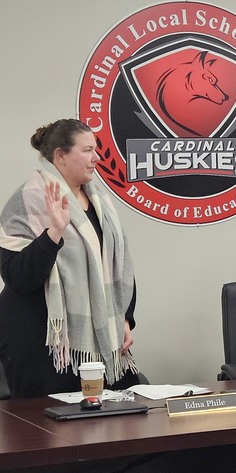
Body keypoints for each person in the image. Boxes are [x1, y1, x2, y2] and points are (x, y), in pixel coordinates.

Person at [0, 119, 140, 398]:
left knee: (124, 412)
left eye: (96, 150)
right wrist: (54, 232)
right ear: (61, 156)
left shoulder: (99, 199)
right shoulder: (27, 200)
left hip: (101, 337)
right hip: (44, 342)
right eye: (87, 150)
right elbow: (17, 276)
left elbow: (115, 262)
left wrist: (125, 318)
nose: (97, 158)